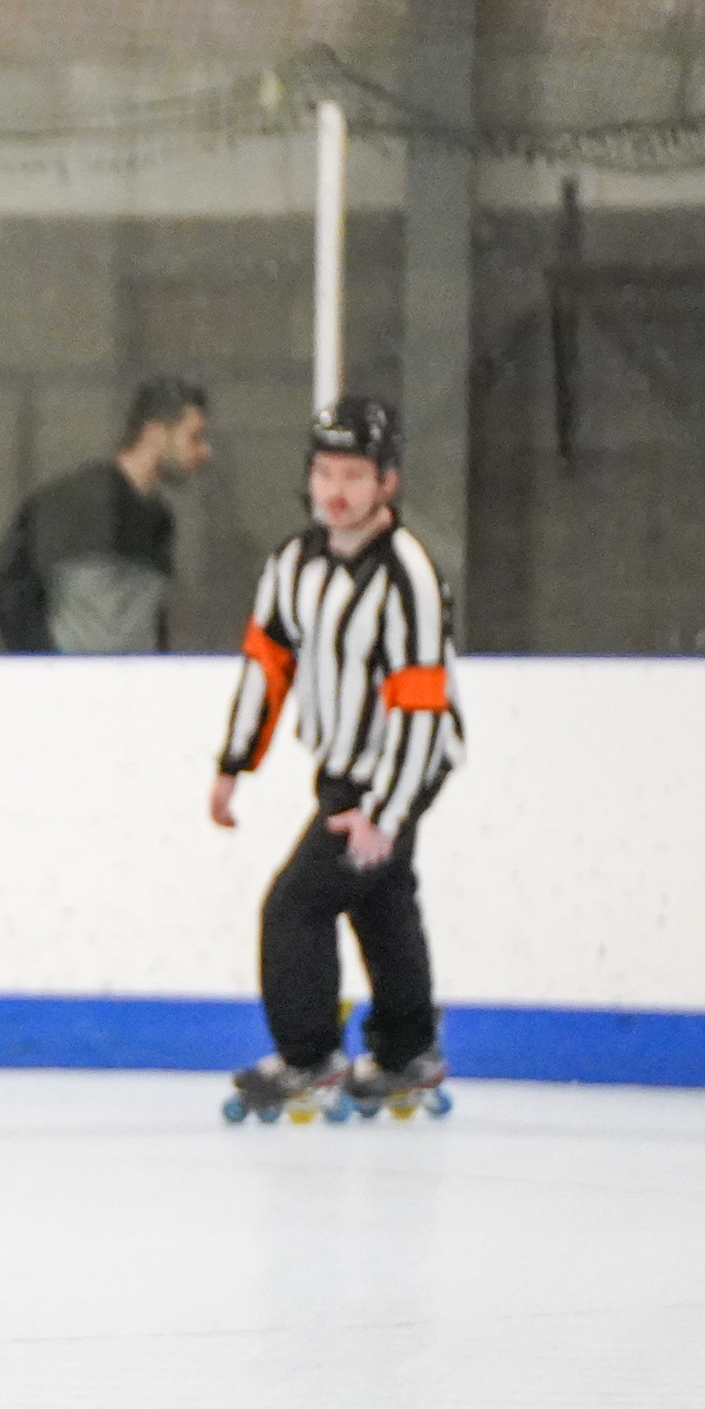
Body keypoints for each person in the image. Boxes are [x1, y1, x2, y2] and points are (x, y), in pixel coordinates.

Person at [209, 395, 468, 1122]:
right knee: (379, 899)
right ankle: (404, 1047)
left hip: (403, 765)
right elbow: (266, 665)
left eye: (353, 474)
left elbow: (421, 700)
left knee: (296, 904)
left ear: (387, 481)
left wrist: (386, 810)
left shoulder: (408, 574)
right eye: (324, 472)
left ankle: (307, 1053)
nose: (335, 490)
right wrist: (233, 762)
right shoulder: (293, 562)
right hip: (341, 766)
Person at [0, 375, 213, 653]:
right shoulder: (75, 501)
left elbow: (148, 618)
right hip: (77, 685)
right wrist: (43, 661)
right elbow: (6, 576)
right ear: (154, 434)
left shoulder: (159, 518)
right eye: (194, 437)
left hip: (136, 684)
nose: (205, 451)